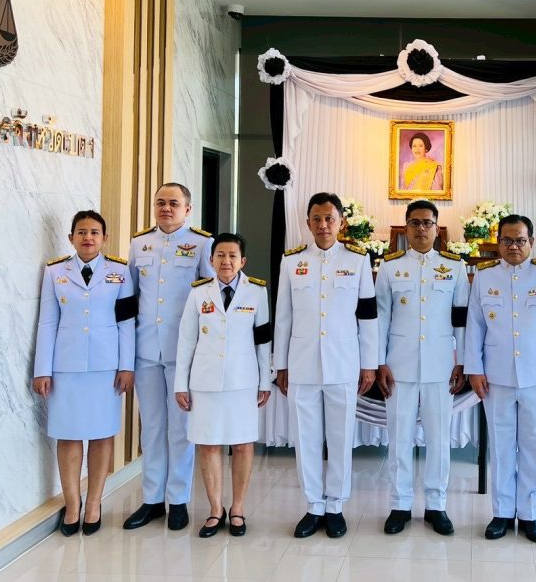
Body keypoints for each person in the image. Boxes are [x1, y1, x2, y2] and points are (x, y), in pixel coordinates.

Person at [274, 192, 378, 539]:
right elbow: (283, 316)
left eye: (329, 218)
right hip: (302, 362)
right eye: (316, 219)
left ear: (341, 222)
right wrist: (280, 364)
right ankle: (313, 505)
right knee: (305, 438)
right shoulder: (292, 261)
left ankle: (335, 505)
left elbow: (367, 316)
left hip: (343, 362)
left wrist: (369, 364)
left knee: (340, 436)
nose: (323, 225)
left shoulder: (357, 260)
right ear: (308, 223)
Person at [464, 214, 536, 542]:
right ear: (498, 243)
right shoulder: (484, 276)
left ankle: (529, 513)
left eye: (520, 240)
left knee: (532, 444)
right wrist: (474, 369)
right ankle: (501, 512)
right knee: (500, 446)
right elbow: (474, 325)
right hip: (495, 377)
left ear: (531, 242)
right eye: (507, 240)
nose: (514, 246)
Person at [32, 210, 136, 536]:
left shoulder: (120, 271)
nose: (88, 237)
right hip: (66, 367)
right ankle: (72, 504)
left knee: (102, 433)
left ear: (104, 238)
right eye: (81, 232)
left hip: (106, 368)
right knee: (69, 434)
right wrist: (42, 369)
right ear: (71, 238)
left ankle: (93, 503)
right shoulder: (55, 272)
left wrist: (127, 365)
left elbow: (127, 322)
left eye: (94, 232)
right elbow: (47, 322)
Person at [376, 200, 470, 535]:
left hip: (441, 365)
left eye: (427, 223)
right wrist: (379, 361)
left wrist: (462, 360)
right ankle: (400, 503)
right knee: (399, 437)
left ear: (436, 227)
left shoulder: (454, 267)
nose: (420, 228)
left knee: (438, 438)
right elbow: (381, 317)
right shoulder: (390, 267)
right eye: (414, 223)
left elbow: (461, 319)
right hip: (398, 365)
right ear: (406, 227)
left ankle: (436, 504)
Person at [124, 183, 214, 532]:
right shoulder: (139, 243)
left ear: (187, 209)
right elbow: (130, 297)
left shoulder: (202, 244)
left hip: (183, 352)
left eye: (174, 203)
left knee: (180, 429)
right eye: (160, 202)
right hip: (146, 348)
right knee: (151, 427)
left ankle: (177, 500)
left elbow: (209, 299)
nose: (166, 208)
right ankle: (151, 499)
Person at [175, 233, 272, 538]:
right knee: (208, 444)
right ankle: (215, 509)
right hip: (205, 381)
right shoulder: (198, 293)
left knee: (242, 444)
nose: (226, 261)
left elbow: (263, 341)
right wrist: (180, 384)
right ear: (211, 259)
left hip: (243, 381)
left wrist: (265, 380)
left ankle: (238, 508)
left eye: (232, 256)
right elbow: (186, 340)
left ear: (242, 261)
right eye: (220, 255)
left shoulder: (256, 292)